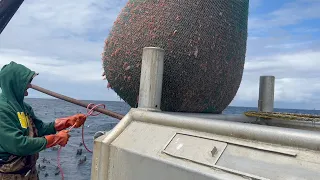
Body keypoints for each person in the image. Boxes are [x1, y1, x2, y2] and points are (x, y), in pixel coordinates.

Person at [0, 61, 87, 179]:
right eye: (26, 81)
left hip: (29, 172)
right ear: (14, 83)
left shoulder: (24, 107)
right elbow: (18, 145)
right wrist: (55, 139)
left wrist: (67, 122)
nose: (29, 85)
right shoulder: (2, 109)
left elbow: (39, 129)